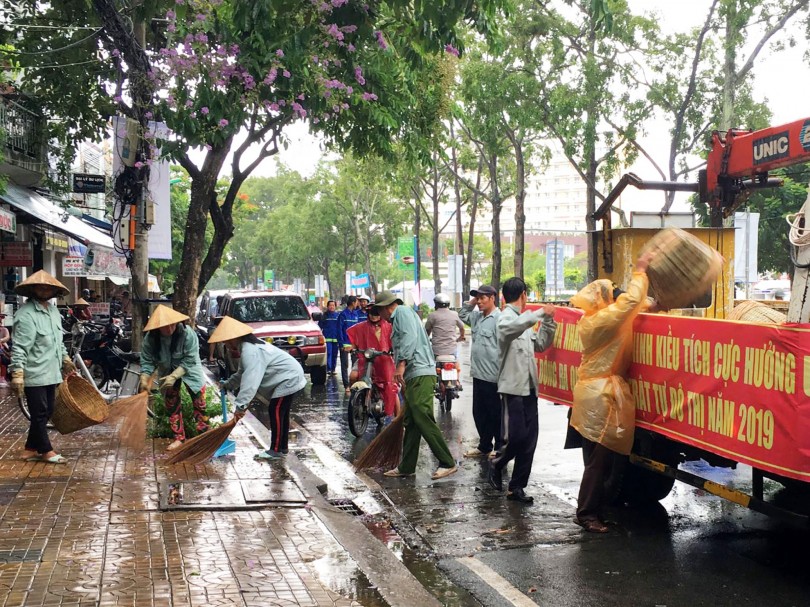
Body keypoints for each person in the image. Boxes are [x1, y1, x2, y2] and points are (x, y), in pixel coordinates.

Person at [569, 255, 651, 533]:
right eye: (612, 293)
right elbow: (629, 303)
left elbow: (632, 306)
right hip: (600, 396)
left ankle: (596, 509)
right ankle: (586, 514)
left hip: (596, 392)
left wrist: (651, 304)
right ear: (603, 299)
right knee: (598, 461)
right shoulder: (601, 321)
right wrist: (640, 272)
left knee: (602, 459)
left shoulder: (594, 318)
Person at [374, 290, 457, 480]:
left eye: (379, 311)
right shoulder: (401, 316)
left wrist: (401, 364)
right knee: (411, 421)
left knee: (421, 414)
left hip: (421, 371)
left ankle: (447, 462)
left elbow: (409, 338)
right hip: (414, 374)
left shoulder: (401, 312)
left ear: (385, 308)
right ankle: (407, 466)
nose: (380, 316)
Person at [488, 277, 556, 504]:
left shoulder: (524, 322)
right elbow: (511, 328)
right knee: (515, 437)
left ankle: (516, 486)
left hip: (529, 389)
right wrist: (539, 313)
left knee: (529, 442)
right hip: (512, 389)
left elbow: (541, 344)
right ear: (524, 295)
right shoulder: (506, 318)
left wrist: (548, 321)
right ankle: (496, 463)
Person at [210, 316, 306, 460]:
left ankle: (275, 450)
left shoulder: (250, 351)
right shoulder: (247, 348)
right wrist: (228, 384)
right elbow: (242, 373)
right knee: (281, 413)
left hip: (288, 378)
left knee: (276, 410)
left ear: (233, 338)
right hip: (290, 376)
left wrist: (241, 406)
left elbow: (250, 381)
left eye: (225, 341)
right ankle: (282, 448)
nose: (225, 345)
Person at [10, 270, 75, 464]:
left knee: (47, 412)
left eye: (48, 288)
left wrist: (65, 360)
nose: (44, 290)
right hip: (34, 372)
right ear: (33, 289)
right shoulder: (26, 314)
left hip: (52, 372)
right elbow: (20, 347)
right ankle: (46, 450)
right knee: (39, 413)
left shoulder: (54, 312)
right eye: (40, 287)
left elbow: (58, 342)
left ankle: (30, 448)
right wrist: (17, 373)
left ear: (54, 291)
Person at [139, 305, 208, 450]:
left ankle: (204, 437)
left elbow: (190, 359)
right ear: (157, 327)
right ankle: (178, 438)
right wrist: (145, 377)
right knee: (172, 404)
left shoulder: (187, 334)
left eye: (172, 324)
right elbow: (147, 360)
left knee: (199, 403)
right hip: (166, 370)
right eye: (165, 326)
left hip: (190, 370)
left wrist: (175, 375)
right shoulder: (150, 338)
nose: (170, 328)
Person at [458, 285, 501, 458]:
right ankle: (484, 446)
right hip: (478, 375)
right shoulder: (476, 317)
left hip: (493, 376)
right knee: (479, 413)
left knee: (495, 414)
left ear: (492, 298)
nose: (480, 302)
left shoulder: (499, 319)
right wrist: (473, 301)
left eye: (483, 298)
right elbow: (462, 314)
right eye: (478, 298)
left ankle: (500, 447)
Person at [347, 305, 399, 417]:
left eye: (376, 314)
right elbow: (354, 341)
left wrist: (392, 350)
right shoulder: (361, 327)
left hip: (384, 361)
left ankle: (398, 420)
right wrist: (352, 348)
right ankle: (357, 399)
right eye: (371, 313)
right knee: (353, 376)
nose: (373, 316)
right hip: (365, 359)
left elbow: (395, 342)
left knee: (391, 388)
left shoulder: (389, 327)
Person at [424, 293, 465, 380]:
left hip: (437, 350)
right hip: (451, 350)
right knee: (456, 360)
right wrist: (462, 336)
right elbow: (462, 327)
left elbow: (427, 331)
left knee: (432, 364)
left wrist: (426, 339)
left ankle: (435, 379)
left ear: (436, 304)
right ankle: (457, 380)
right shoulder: (454, 314)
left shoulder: (432, 315)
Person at [338, 295, 360, 393]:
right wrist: (341, 344)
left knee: (355, 364)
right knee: (345, 365)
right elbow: (339, 330)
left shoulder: (355, 314)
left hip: (354, 344)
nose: (357, 304)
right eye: (356, 302)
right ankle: (346, 385)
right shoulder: (343, 315)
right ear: (353, 303)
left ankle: (354, 384)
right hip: (345, 344)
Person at [319, 300, 340, 376]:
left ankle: (333, 369)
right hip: (327, 338)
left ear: (335, 306)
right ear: (327, 306)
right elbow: (320, 326)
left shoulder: (338, 315)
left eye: (333, 305)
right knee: (329, 353)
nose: (332, 307)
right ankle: (329, 369)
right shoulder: (324, 316)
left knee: (335, 354)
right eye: (330, 305)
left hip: (336, 338)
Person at [0, 314, 10, 386]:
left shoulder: (4, 329)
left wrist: (1, 340)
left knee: (3, 359)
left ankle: (2, 376)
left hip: (2, 346)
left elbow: (7, 337)